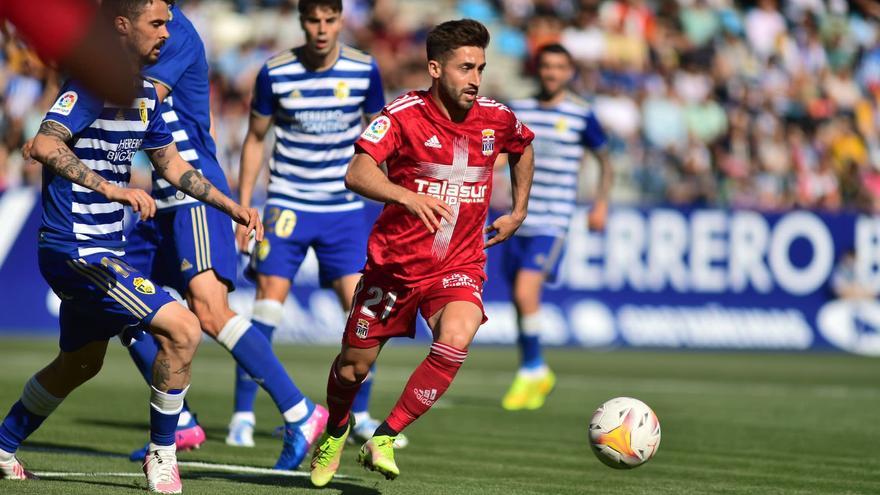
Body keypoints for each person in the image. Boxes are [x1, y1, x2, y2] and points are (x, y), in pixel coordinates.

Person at [0, 1, 262, 492]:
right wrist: (113, 188)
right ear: (122, 26)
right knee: (183, 329)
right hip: (75, 250)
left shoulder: (144, 94)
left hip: (104, 249)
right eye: (157, 24)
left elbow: (171, 164)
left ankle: (2, 443)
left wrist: (231, 206)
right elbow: (44, 144)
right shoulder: (90, 85)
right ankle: (163, 455)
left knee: (80, 363)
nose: (167, 33)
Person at [308, 19, 535, 486]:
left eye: (481, 68)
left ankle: (386, 435)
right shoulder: (402, 114)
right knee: (354, 368)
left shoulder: (496, 117)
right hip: (394, 268)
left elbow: (523, 147)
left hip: (459, 263)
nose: (475, 79)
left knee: (459, 332)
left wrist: (518, 210)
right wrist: (405, 196)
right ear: (435, 68)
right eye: (465, 68)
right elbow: (357, 173)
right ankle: (335, 428)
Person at [120, 1, 329, 470]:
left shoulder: (175, 31)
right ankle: (184, 421)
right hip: (159, 194)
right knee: (119, 305)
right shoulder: (129, 26)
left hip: (192, 186)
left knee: (210, 312)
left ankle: (301, 412)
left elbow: (141, 98)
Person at [234, 0, 402, 449]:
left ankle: (358, 416)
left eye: (329, 20)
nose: (321, 29)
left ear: (340, 21)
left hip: (343, 209)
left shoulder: (364, 70)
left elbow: (381, 138)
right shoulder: (275, 72)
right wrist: (244, 206)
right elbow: (255, 139)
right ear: (301, 22)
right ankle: (242, 415)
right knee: (267, 305)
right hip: (287, 203)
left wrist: (396, 194)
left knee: (362, 310)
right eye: (313, 20)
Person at [498, 43, 612, 411]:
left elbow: (605, 161)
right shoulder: (522, 109)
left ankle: (533, 368)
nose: (552, 73)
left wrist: (600, 204)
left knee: (524, 292)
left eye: (559, 67)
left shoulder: (581, 114)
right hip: (518, 216)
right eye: (546, 66)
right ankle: (532, 371)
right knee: (520, 300)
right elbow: (504, 155)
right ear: (538, 70)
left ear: (569, 72)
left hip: (553, 218)